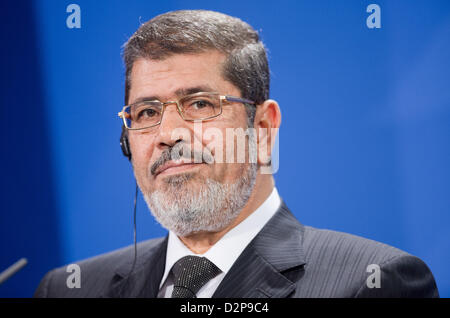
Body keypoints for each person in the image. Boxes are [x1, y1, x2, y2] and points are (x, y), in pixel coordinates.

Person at [34, 10, 439, 298]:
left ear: (262, 129)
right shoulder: (69, 288)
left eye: (199, 104)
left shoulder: (372, 282)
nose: (167, 134)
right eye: (147, 112)